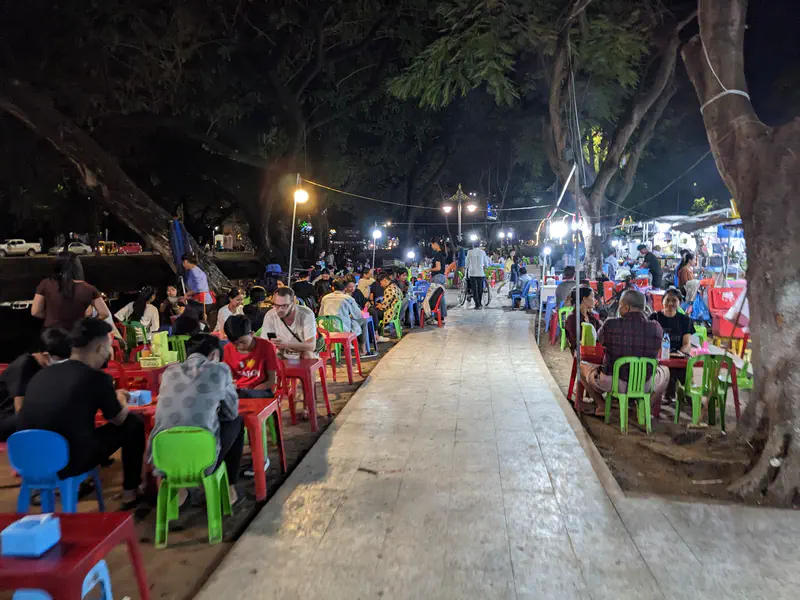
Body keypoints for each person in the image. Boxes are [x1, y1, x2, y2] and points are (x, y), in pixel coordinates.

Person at [18, 318, 146, 507]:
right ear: (100, 348)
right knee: (133, 423)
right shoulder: (96, 378)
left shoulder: (42, 373)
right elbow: (119, 419)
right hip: (67, 461)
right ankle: (131, 493)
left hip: (26, 460)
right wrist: (121, 398)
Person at [152, 333, 244, 506]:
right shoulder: (220, 369)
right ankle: (229, 488)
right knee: (236, 422)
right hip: (203, 457)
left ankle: (179, 492)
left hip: (163, 459)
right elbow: (231, 412)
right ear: (215, 354)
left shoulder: (168, 372)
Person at [579, 290, 669, 417]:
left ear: (626, 307)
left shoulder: (611, 324)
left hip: (613, 382)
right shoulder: (656, 327)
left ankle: (602, 405)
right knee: (665, 371)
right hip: (644, 384)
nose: (619, 308)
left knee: (581, 366)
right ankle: (645, 407)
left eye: (620, 305)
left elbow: (599, 341)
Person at [0, 328, 72, 441]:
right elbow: (20, 410)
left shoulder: (48, 368)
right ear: (45, 355)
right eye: (60, 359)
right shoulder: (24, 366)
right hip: (6, 417)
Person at [31, 253, 110, 329]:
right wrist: (87, 325)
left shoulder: (45, 284)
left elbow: (35, 312)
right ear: (78, 267)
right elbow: (104, 313)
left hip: (52, 335)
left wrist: (52, 316)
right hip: (77, 335)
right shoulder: (89, 288)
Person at [223, 316, 277, 396]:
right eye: (235, 343)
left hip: (263, 390)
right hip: (240, 390)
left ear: (252, 334)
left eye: (243, 342)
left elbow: (271, 380)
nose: (239, 347)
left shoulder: (267, 347)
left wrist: (253, 391)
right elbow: (229, 379)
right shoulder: (227, 349)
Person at [260, 287, 317, 359]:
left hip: (302, 353)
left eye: (284, 305)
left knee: (307, 355)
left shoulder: (306, 314)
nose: (280, 309)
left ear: (293, 302)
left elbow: (311, 346)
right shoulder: (270, 315)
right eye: (277, 305)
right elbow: (265, 343)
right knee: (270, 356)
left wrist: (286, 344)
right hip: (282, 353)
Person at [319, 279, 369, 353]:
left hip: (326, 328)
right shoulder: (348, 298)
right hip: (343, 329)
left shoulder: (325, 298)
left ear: (333, 288)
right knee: (364, 321)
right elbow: (358, 315)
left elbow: (321, 314)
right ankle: (363, 350)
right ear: (345, 288)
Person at [564, 286, 603, 352]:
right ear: (584, 299)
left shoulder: (591, 316)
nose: (595, 300)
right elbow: (577, 342)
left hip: (593, 351)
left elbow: (601, 332)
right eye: (592, 296)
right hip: (581, 354)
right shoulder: (572, 319)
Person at [374, 272, 401, 340]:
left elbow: (383, 306)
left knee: (373, 313)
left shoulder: (389, 289)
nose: (380, 285)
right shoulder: (394, 286)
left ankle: (376, 335)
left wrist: (380, 306)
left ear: (384, 280)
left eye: (380, 283)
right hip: (394, 311)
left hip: (389, 313)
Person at [465, 241, 489, 309]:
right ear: (479, 245)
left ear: (473, 245)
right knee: (480, 288)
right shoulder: (482, 252)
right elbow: (486, 263)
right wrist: (486, 266)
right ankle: (480, 302)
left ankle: (477, 303)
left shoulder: (469, 252)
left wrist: (466, 267)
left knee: (474, 288)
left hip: (472, 273)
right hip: (480, 273)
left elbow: (466, 263)